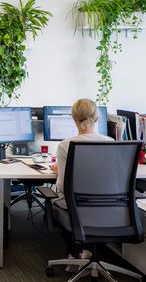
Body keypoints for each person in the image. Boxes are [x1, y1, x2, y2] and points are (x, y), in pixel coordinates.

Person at [50, 98, 114, 271]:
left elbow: (62, 187)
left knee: (55, 202)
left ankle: (75, 251)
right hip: (107, 206)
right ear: (97, 118)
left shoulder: (65, 145)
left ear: (73, 118)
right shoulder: (110, 143)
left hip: (76, 206)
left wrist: (59, 171)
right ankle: (83, 251)